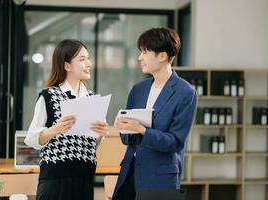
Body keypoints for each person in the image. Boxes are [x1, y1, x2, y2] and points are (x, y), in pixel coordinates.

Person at [112, 27, 198, 200]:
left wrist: (142, 130)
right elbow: (126, 138)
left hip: (160, 177)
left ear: (162, 56)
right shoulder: (138, 89)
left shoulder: (185, 92)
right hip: (129, 173)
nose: (140, 57)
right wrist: (123, 127)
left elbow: (174, 142)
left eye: (145, 52)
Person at [24, 39, 109, 200]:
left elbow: (93, 144)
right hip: (55, 179)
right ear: (66, 65)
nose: (88, 63)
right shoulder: (49, 96)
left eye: (88, 58)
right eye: (82, 59)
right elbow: (31, 138)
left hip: (85, 178)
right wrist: (54, 130)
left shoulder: (92, 99)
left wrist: (100, 133)